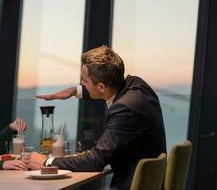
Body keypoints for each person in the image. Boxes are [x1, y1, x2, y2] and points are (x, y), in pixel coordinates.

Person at [25, 45, 167, 189]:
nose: (81, 83)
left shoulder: (124, 110)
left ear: (101, 87)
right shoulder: (138, 85)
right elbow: (102, 88)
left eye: (84, 80)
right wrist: (75, 91)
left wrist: (48, 162)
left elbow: (95, 162)